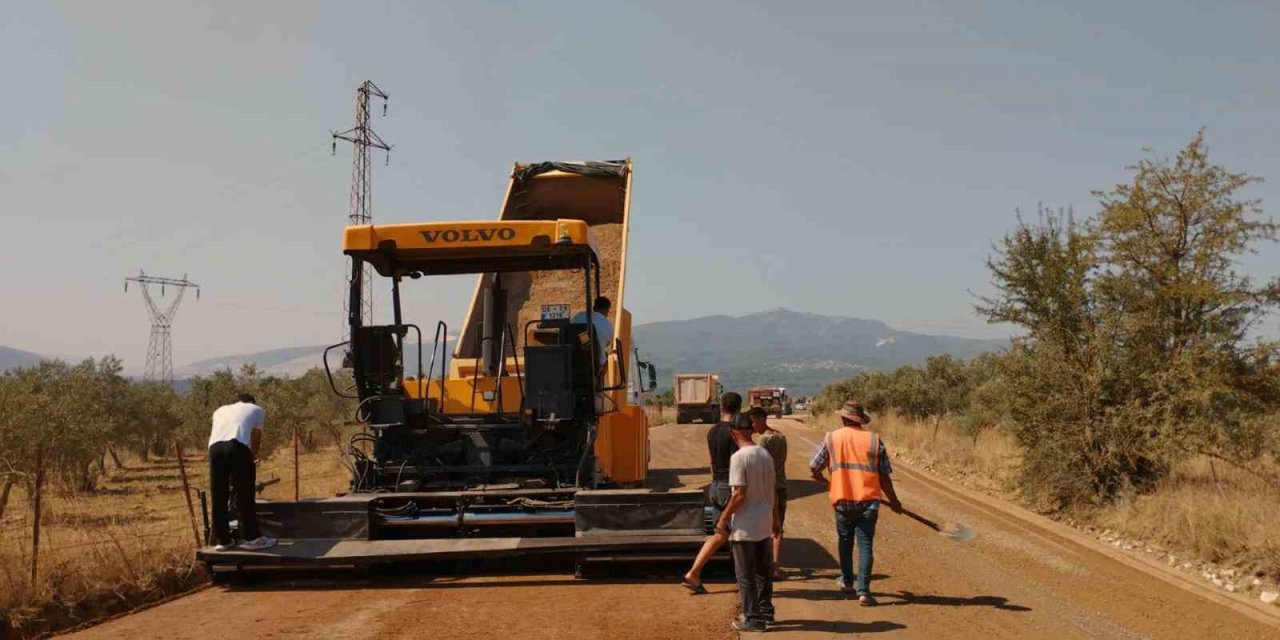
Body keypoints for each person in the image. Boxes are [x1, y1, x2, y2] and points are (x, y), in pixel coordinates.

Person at [809, 400, 902, 605]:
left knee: (845, 542)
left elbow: (814, 466)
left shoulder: (832, 438)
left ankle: (847, 582)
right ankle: (864, 592)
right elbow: (884, 476)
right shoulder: (874, 440)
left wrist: (822, 479)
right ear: (860, 420)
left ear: (843, 418)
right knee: (865, 545)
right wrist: (894, 501)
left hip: (842, 501)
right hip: (868, 502)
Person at [719, 414, 780, 632]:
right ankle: (766, 611)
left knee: (745, 575)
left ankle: (753, 618)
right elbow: (773, 490)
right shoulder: (765, 454)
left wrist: (724, 518)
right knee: (763, 573)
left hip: (745, 525)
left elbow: (739, 494)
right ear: (751, 430)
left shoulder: (738, 457)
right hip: (764, 521)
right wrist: (775, 519)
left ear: (733, 433)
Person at [681, 391, 742, 594]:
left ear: (722, 407)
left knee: (720, 534)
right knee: (739, 533)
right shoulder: (734, 432)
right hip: (729, 485)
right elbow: (738, 463)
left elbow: (711, 461)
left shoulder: (712, 431)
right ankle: (743, 577)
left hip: (716, 483)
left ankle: (694, 572)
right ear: (738, 409)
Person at [208, 393, 276, 551]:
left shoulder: (220, 410)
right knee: (244, 493)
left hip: (214, 450)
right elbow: (256, 436)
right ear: (252, 402)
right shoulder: (257, 409)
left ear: (237, 401)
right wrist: (252, 457)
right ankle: (252, 538)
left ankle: (223, 540)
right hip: (237, 446)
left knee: (218, 494)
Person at [749, 406, 788, 580]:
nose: (751, 426)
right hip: (781, 484)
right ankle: (776, 567)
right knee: (778, 527)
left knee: (765, 527)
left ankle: (768, 568)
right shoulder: (781, 436)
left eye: (753, 421)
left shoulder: (763, 441)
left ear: (761, 419)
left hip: (767, 488)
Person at [571, 296, 614, 366]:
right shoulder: (608, 325)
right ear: (607, 310)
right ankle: (600, 376)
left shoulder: (579, 316)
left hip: (574, 359)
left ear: (594, 307)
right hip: (594, 363)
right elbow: (608, 343)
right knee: (607, 356)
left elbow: (571, 331)